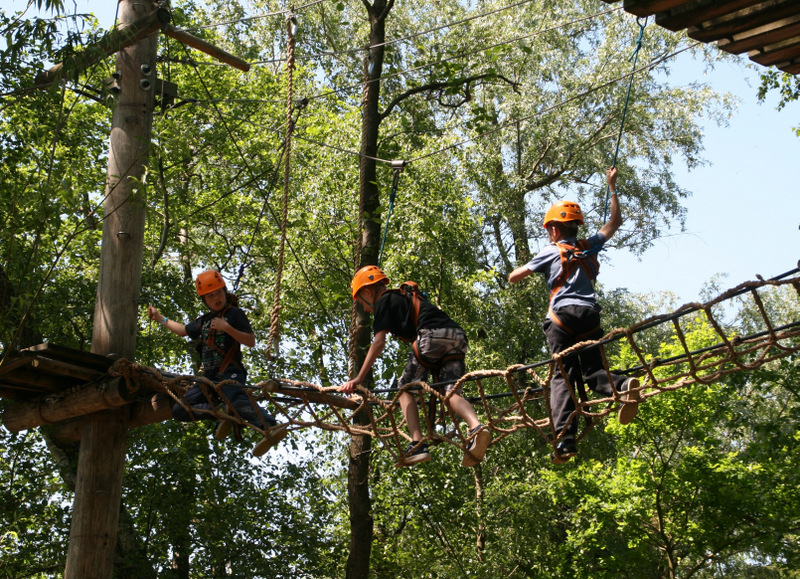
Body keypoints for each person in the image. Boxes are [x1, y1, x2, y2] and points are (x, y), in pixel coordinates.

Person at [507, 167, 640, 464]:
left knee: (562, 377)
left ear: (554, 230)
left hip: (561, 320)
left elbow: (515, 276)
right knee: (593, 369)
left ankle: (566, 440)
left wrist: (527, 268)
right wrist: (612, 186)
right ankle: (620, 385)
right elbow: (615, 222)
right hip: (590, 315)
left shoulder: (550, 250)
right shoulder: (588, 246)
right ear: (575, 227)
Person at [340, 266, 491, 468]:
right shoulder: (402, 298)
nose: (366, 309)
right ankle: (477, 427)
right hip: (457, 337)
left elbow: (378, 343)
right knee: (450, 393)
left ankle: (417, 443)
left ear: (367, 292)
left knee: (404, 389)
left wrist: (358, 379)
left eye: (362, 304)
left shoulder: (383, 300)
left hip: (432, 336)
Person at [147, 270, 277, 437]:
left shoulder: (235, 314)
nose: (216, 298)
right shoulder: (204, 320)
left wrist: (227, 328)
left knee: (237, 400)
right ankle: (220, 411)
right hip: (208, 378)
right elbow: (182, 331)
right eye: (210, 296)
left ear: (225, 292)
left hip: (230, 372)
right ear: (205, 300)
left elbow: (250, 341)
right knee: (181, 410)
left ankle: (270, 426)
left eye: (218, 293)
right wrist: (160, 318)